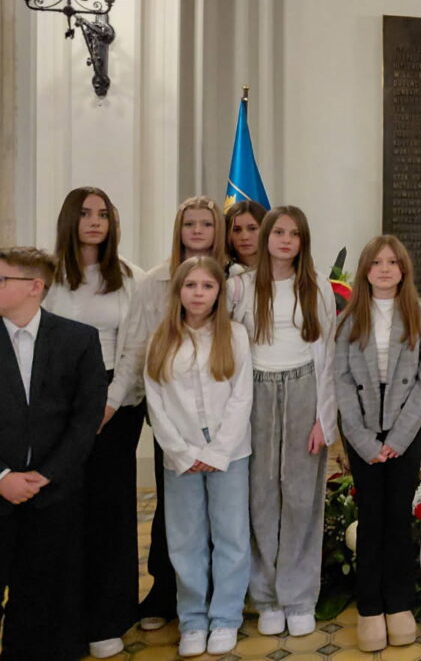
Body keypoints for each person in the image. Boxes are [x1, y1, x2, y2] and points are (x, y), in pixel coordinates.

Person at [107, 195, 228, 630]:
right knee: (174, 504)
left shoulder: (233, 278)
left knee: (225, 507)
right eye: (189, 223)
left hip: (224, 411)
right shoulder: (155, 281)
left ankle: (222, 591)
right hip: (172, 411)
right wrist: (118, 400)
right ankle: (167, 588)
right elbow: (139, 343)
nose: (197, 231)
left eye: (206, 224)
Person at [42, 188, 145, 659]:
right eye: (85, 214)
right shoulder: (49, 277)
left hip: (113, 404)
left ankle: (107, 619)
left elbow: (135, 347)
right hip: (59, 404)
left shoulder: (128, 277)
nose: (95, 221)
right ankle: (66, 620)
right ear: (70, 220)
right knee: (63, 510)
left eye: (103, 214)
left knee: (109, 509)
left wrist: (110, 402)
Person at [230, 205, 337, 637]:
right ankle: (266, 597)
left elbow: (328, 356)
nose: (286, 240)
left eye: (294, 234)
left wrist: (323, 419)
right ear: (266, 237)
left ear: (302, 241)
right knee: (260, 496)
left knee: (299, 497)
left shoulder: (317, 288)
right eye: (279, 232)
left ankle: (298, 596)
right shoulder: (240, 287)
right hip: (255, 390)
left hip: (303, 388)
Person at [0, 246, 106, 661]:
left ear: (34, 287)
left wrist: (46, 476)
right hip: (0, 486)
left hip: (53, 490)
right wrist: (3, 477)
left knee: (42, 593)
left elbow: (86, 417)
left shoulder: (78, 340)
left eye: (2, 280)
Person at [333, 236, 421, 651]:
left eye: (392, 262)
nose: (384, 269)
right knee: (371, 516)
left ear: (403, 269)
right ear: (365, 269)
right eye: (376, 262)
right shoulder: (349, 317)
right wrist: (362, 439)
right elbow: (342, 380)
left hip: (405, 428)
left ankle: (398, 603)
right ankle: (370, 607)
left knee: (398, 516)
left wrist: (397, 437)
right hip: (362, 428)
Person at [144, 257, 252, 658]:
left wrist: (219, 450)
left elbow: (242, 396)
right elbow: (155, 401)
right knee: (185, 539)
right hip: (181, 454)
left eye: (207, 286)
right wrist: (182, 451)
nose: (199, 293)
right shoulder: (161, 338)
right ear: (179, 291)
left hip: (230, 451)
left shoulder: (235, 335)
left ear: (219, 292)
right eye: (191, 285)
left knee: (230, 535)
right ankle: (192, 618)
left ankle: (225, 616)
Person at [225, 199, 267, 275]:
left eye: (252, 229)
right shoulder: (219, 272)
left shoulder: (281, 270)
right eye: (236, 230)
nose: (244, 237)